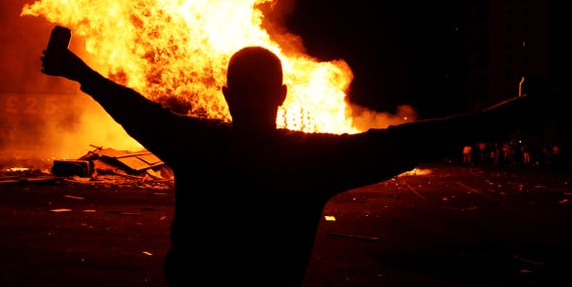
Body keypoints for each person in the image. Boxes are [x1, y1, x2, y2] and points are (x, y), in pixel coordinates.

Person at [40, 41, 530, 287]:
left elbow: (131, 106)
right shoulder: (310, 160)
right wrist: (509, 113)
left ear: (227, 96)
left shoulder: (194, 142)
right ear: (282, 95)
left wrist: (75, 68)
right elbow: (409, 142)